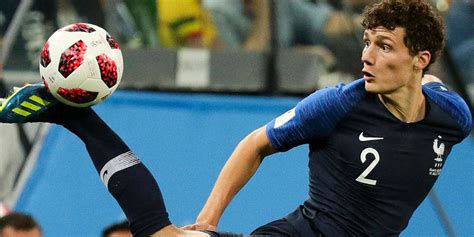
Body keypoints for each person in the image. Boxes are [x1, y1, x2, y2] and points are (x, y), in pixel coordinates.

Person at [0, 0, 471, 237]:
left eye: (384, 46)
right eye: (366, 41)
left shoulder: (453, 118)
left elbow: (432, 92)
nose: (366, 55)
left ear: (420, 58)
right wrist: (206, 225)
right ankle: (76, 118)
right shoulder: (337, 104)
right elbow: (255, 144)